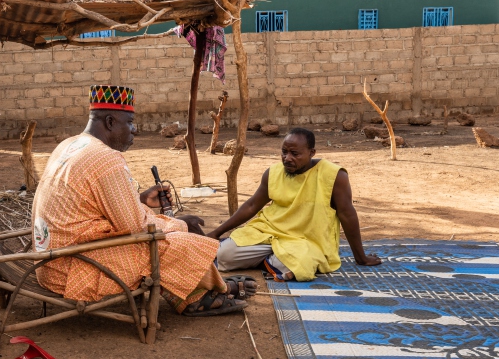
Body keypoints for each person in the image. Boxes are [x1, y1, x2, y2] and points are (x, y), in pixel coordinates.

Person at [31, 85, 257, 316]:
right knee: (176, 243)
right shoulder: (105, 158)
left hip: (50, 264)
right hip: (75, 269)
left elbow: (89, 204)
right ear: (110, 122)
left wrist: (139, 200)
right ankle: (214, 289)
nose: (134, 130)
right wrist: (180, 224)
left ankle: (203, 290)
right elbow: (134, 228)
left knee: (169, 238)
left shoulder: (69, 145)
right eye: (129, 122)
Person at [208, 128, 381, 281]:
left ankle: (270, 259)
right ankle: (272, 260)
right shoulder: (273, 172)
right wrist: (217, 232)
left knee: (301, 266)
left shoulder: (334, 176)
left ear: (311, 152)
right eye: (284, 152)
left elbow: (347, 214)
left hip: (305, 241)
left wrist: (361, 257)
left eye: (295, 154)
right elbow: (252, 205)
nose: (287, 158)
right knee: (224, 255)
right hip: (267, 232)